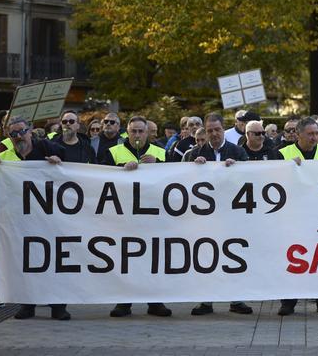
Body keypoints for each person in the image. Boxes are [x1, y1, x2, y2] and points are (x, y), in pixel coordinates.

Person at [0, 116, 67, 319]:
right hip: (20, 220)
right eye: (13, 133)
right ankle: (27, 305)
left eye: (22, 131)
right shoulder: (4, 156)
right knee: (25, 263)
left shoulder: (47, 147)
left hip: (49, 218)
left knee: (53, 262)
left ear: (30, 131)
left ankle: (58, 307)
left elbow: (69, 167)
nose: (19, 136)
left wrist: (59, 162)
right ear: (9, 136)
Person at [103, 116, 173, 318]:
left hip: (153, 215)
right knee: (125, 259)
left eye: (141, 131)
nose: (137, 135)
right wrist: (121, 171)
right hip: (124, 215)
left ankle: (155, 301)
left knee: (154, 259)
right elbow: (100, 178)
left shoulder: (160, 153)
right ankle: (124, 302)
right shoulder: (113, 152)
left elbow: (174, 178)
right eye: (133, 131)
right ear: (127, 132)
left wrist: (158, 164)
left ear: (147, 133)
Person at [188, 113, 253, 316]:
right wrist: (194, 168)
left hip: (232, 214)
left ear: (223, 129)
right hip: (206, 216)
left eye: (217, 130)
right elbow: (185, 181)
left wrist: (237, 169)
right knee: (206, 256)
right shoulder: (196, 153)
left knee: (234, 255)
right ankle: (206, 301)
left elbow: (250, 179)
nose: (214, 134)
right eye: (210, 131)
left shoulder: (237, 151)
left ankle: (236, 299)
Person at [277, 117, 318, 317]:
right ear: (299, 134)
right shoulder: (282, 153)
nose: (314, 137)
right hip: (293, 214)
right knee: (293, 257)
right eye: (310, 134)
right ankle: (288, 301)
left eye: (316, 134)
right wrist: (287, 169)